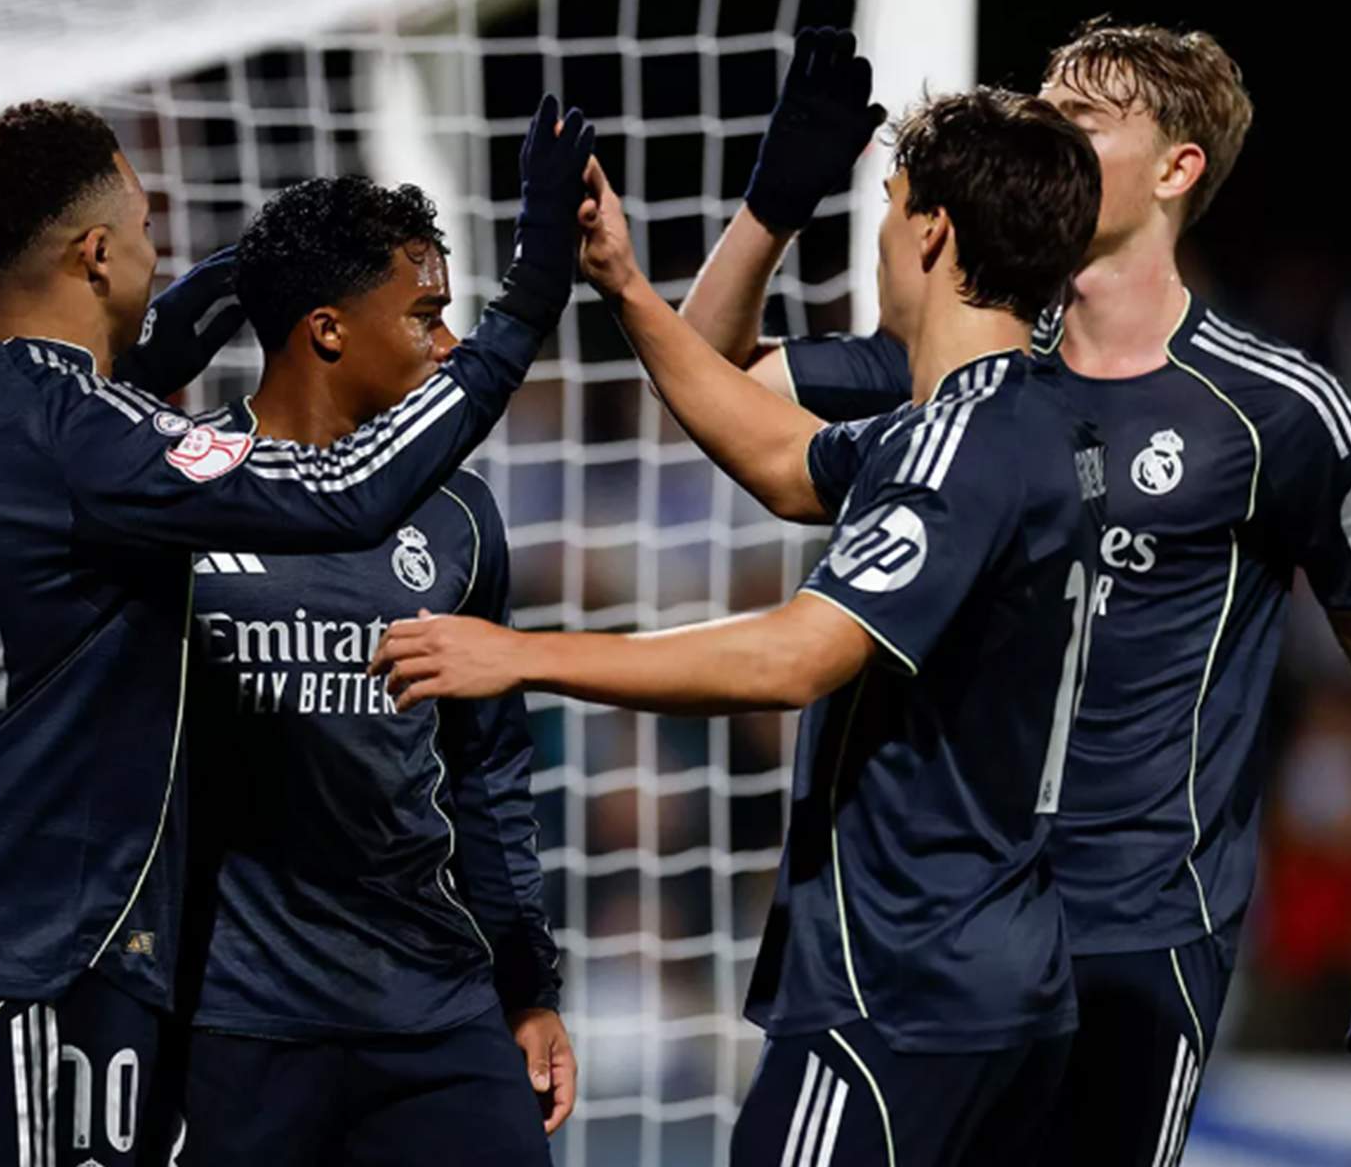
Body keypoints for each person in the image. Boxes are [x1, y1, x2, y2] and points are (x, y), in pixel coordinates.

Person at [0, 94, 595, 1166]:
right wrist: (529, 296)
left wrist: (280, 258)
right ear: (95, 253)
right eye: (144, 230)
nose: (158, 250)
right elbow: (338, 495)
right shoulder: (92, 445)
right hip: (29, 940)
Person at [687, 23, 1351, 1165]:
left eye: (1083, 115)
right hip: (948, 923)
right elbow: (714, 382)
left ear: (1177, 169)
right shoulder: (966, 349)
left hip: (1134, 928)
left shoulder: (1275, 411)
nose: (1045, 124)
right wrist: (769, 211)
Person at [371, 88, 1107, 1167]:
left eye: (888, 205)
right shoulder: (1029, 419)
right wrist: (621, 284)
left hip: (901, 985)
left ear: (930, 232)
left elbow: (791, 657)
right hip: (1006, 984)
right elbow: (784, 462)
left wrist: (520, 654)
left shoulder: (957, 447)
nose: (880, 236)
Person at [165, 175, 572, 1165]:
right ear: (328, 330)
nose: (445, 347)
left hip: (434, 1012)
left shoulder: (458, 512)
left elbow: (489, 773)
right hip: (234, 1022)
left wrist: (526, 990)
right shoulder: (174, 487)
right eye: (425, 316)